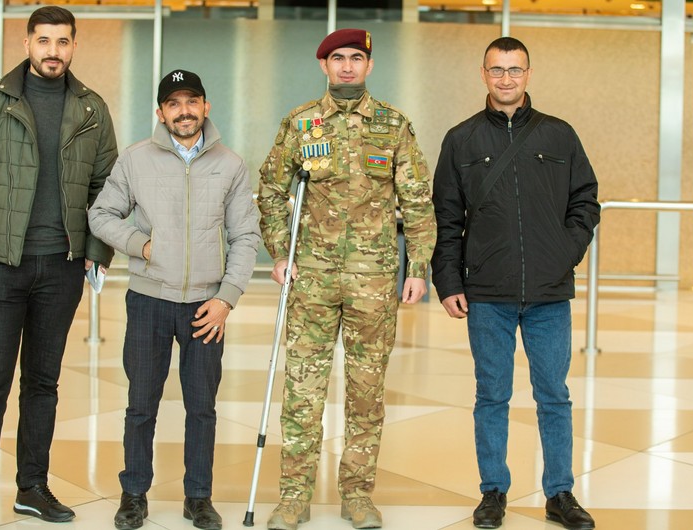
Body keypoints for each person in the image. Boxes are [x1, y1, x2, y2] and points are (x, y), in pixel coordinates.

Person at [0, 6, 117, 530]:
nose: (53, 51)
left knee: (43, 383)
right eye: (44, 41)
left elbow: (107, 188)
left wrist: (96, 251)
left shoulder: (91, 108)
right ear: (26, 44)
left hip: (61, 267)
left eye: (63, 42)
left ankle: (32, 488)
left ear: (74, 46)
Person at [258, 28, 436, 530]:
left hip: (373, 283)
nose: (347, 66)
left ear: (369, 65)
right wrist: (279, 252)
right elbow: (270, 189)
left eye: (357, 57)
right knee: (303, 392)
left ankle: (357, 495)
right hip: (311, 281)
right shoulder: (301, 123)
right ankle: (294, 497)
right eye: (338, 58)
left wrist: (417, 268)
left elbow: (418, 200)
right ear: (324, 65)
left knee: (366, 393)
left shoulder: (393, 125)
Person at [430, 37, 600, 530]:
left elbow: (586, 201)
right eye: (497, 69)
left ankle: (560, 493)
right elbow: (446, 218)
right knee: (492, 395)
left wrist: (564, 252)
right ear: (483, 74)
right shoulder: (460, 139)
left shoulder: (559, 134)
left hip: (549, 294)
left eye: (515, 69)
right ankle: (493, 492)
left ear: (528, 74)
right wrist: (448, 281)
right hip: (487, 294)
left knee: (554, 395)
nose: (506, 78)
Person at [88, 69, 261, 530]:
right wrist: (140, 245)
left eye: (192, 101)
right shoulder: (135, 159)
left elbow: (246, 236)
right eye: (174, 103)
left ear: (205, 107)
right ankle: (134, 495)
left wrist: (227, 299)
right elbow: (101, 215)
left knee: (201, 407)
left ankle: (198, 497)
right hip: (149, 302)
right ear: (161, 113)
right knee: (141, 403)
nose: (184, 111)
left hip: (207, 305)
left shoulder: (230, 165)